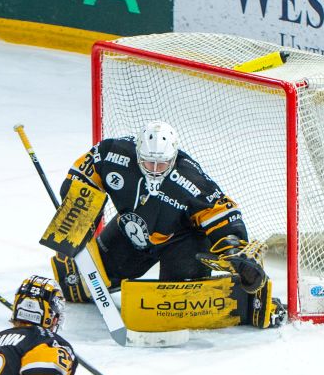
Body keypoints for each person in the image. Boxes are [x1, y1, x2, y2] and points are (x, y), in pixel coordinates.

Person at [50, 121, 285, 330]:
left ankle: (246, 303)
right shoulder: (112, 153)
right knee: (82, 285)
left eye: (161, 164)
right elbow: (84, 171)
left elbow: (222, 213)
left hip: (181, 242)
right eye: (148, 162)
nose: (154, 170)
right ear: (137, 151)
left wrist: (232, 249)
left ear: (173, 158)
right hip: (133, 232)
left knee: (176, 303)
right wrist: (78, 205)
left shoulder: (189, 179)